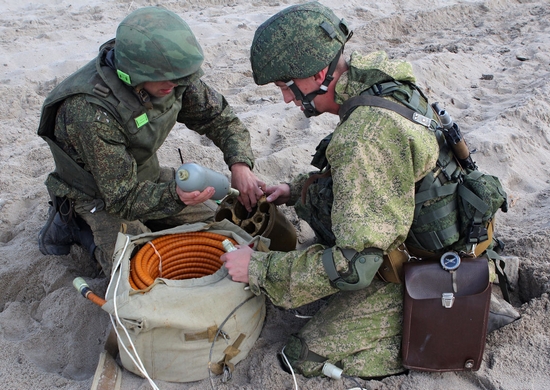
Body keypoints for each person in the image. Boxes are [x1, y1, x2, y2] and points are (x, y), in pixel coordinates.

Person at [221, 1, 509, 379]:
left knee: (302, 355)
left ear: (320, 73)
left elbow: (355, 265)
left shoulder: (365, 138)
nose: (287, 99)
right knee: (313, 198)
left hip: (436, 269)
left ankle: (469, 317)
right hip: (435, 226)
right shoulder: (376, 81)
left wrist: (259, 268)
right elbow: (377, 175)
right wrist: (293, 190)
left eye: (286, 86)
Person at [37, 6, 265, 276]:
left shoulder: (172, 76)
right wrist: (175, 197)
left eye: (178, 78)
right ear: (133, 72)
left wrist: (239, 164)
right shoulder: (92, 111)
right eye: (164, 80)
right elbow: (121, 199)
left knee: (225, 228)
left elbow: (219, 117)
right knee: (135, 274)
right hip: (97, 195)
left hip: (144, 177)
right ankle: (74, 225)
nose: (174, 85)